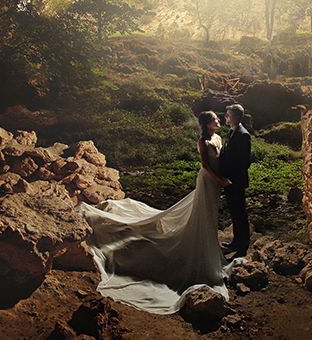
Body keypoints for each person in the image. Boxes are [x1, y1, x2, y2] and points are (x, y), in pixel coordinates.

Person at [77, 111, 236, 314]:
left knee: (211, 215)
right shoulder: (202, 141)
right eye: (215, 119)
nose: (219, 120)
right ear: (207, 123)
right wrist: (219, 179)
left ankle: (208, 245)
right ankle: (200, 250)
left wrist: (223, 176)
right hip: (208, 180)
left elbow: (221, 159)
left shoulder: (217, 138)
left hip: (215, 182)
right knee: (203, 214)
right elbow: (205, 165)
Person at [219, 103, 252, 259]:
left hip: (236, 181)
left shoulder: (243, 135)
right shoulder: (232, 132)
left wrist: (230, 177)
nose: (226, 116)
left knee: (239, 212)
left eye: (229, 114)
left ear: (237, 116)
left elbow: (244, 162)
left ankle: (243, 244)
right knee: (234, 212)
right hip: (230, 180)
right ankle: (236, 241)